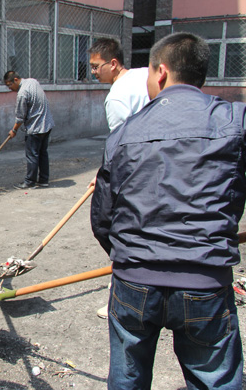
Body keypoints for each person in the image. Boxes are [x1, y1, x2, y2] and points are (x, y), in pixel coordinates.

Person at [91, 32, 244, 389]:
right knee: (215, 380)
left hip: (135, 283)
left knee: (128, 379)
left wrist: (128, 255)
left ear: (161, 72)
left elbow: (102, 217)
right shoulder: (234, 120)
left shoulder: (124, 133)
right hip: (205, 282)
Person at [87, 38, 150, 319]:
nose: (92, 72)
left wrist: (106, 176)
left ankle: (123, 296)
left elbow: (121, 147)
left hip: (136, 175)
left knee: (114, 229)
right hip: (159, 166)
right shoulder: (145, 74)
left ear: (113, 64)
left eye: (96, 66)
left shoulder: (116, 97)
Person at [3, 71, 55, 189]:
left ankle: (29, 181)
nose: (10, 88)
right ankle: (43, 180)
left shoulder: (22, 93)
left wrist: (14, 131)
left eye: (10, 85)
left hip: (35, 127)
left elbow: (20, 117)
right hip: (46, 124)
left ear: (16, 79)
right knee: (42, 153)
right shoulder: (33, 81)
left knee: (32, 155)